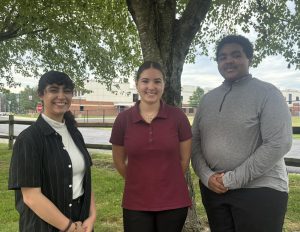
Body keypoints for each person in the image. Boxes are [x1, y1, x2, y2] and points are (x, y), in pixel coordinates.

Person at [191, 35, 293, 232]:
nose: (228, 60)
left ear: (249, 59)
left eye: (236, 55)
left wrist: (231, 180)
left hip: (261, 190)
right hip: (214, 191)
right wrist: (206, 176)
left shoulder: (268, 93)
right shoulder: (206, 100)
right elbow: (195, 142)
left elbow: (278, 143)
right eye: (222, 57)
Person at [8, 71, 96, 232]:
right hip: (43, 225)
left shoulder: (74, 133)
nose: (61, 96)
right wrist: (69, 227)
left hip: (80, 222)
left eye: (67, 91)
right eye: (54, 90)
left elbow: (85, 180)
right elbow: (31, 197)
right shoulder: (29, 139)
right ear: (41, 94)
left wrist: (91, 217)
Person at [110, 61, 192, 232]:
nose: (151, 87)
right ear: (137, 84)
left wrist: (166, 182)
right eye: (145, 81)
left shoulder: (178, 117)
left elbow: (184, 160)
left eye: (157, 81)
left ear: (164, 84)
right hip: (136, 201)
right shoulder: (123, 120)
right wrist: (139, 181)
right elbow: (119, 162)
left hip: (173, 201)